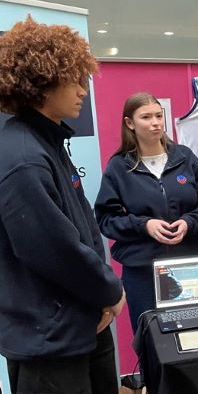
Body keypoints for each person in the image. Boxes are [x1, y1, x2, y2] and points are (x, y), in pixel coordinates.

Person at [0, 17, 125, 394]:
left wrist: (100, 295)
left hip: (80, 324)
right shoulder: (24, 157)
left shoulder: (48, 142)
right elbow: (54, 249)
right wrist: (110, 291)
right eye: (72, 78)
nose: (82, 89)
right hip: (50, 343)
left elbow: (82, 226)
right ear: (40, 80)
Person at [94, 92, 198, 332]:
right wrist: (145, 225)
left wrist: (189, 222)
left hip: (189, 266)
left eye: (159, 116)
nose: (156, 123)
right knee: (152, 340)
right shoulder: (119, 167)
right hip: (143, 272)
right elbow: (107, 219)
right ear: (130, 123)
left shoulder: (185, 157)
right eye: (146, 117)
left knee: (197, 334)